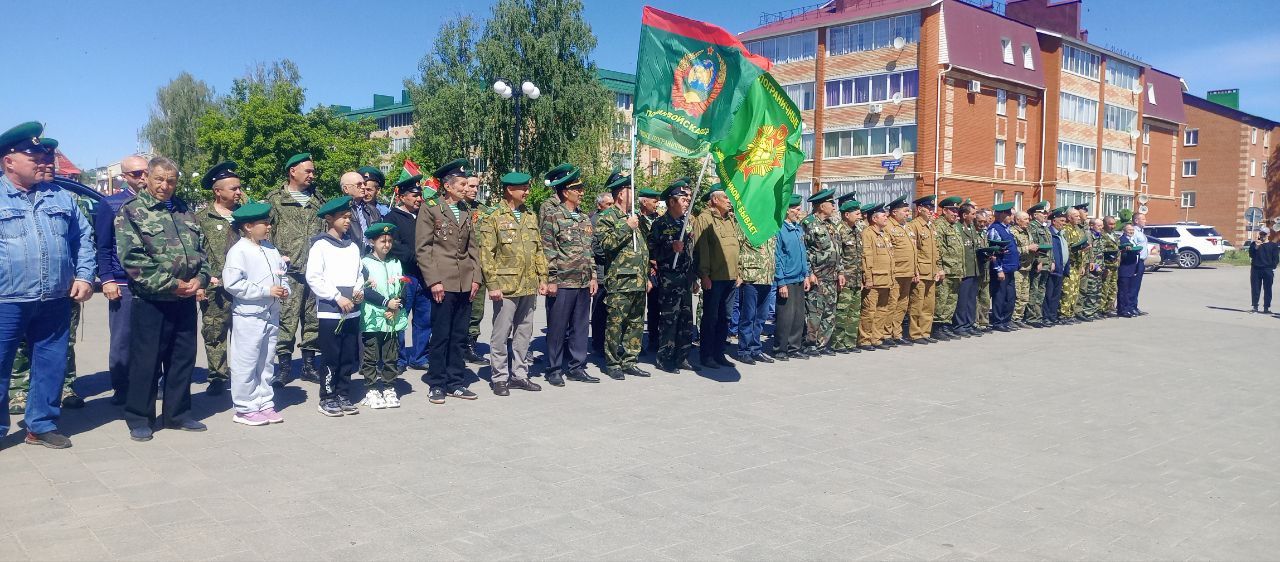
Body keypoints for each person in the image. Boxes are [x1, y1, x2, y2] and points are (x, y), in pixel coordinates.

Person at [0, 123, 94, 449]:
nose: (42, 160)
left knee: (51, 365)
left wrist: (84, 276)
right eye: (33, 156)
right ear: (9, 160)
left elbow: (83, 240)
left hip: (55, 297)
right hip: (6, 299)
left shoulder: (62, 197)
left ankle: (40, 425)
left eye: (43, 155)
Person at [117, 156, 209, 442]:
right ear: (147, 178)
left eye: (171, 181)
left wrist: (200, 279)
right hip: (152, 300)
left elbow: (202, 253)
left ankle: (177, 414)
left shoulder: (184, 210)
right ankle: (139, 417)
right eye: (159, 179)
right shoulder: (132, 211)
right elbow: (132, 260)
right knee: (146, 362)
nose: (165, 186)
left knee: (182, 359)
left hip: (184, 300)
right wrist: (171, 284)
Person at [417, 159, 483, 403]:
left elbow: (473, 248)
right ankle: (437, 382)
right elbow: (423, 249)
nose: (467, 188)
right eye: (462, 184)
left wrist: (476, 277)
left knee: (459, 335)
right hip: (442, 282)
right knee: (441, 334)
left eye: (468, 184)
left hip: (465, 282)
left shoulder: (466, 210)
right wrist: (433, 281)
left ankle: (456, 381)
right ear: (448, 185)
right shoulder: (431, 207)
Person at [476, 172, 547, 395]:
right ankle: (499, 377)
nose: (527, 192)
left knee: (524, 332)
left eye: (527, 187)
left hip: (528, 284)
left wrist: (543, 277)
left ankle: (520, 375)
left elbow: (538, 250)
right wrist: (493, 284)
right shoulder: (493, 216)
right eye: (523, 188)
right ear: (509, 190)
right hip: (505, 286)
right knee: (501, 333)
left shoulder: (530, 216)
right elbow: (487, 253)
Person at [221, 201, 288, 426]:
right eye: (264, 223)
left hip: (271, 313)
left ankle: (264, 401)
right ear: (248, 226)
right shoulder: (238, 251)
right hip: (249, 315)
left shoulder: (270, 247)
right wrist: (264, 291)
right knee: (246, 361)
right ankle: (244, 407)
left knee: (266, 360)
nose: (269, 227)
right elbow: (233, 284)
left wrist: (283, 286)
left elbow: (280, 272)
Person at [267, 153, 326, 385]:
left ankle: (309, 365)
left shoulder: (318, 200)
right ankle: (283, 368)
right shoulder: (275, 200)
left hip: (314, 271)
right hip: (288, 272)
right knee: (286, 320)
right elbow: (266, 232)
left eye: (312, 171)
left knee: (313, 320)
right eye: (308, 171)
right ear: (293, 171)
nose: (312, 175)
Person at [539, 163, 599, 385]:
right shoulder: (553, 216)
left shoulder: (583, 218)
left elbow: (588, 250)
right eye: (578, 188)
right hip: (563, 282)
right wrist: (551, 280)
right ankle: (554, 368)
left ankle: (577, 366)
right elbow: (548, 251)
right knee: (557, 327)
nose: (582, 192)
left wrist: (592, 276)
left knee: (581, 326)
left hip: (582, 281)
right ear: (566, 192)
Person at [307, 196, 365, 416]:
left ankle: (343, 393)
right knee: (332, 355)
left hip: (352, 311)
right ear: (330, 218)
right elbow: (314, 277)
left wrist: (359, 290)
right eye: (343, 217)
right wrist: (336, 297)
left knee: (348, 354)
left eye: (349, 217)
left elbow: (359, 273)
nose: (347, 221)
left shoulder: (352, 247)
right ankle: (327, 397)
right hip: (331, 311)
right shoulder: (320, 246)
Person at [97, 154, 148, 404]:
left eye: (145, 172)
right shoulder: (111, 204)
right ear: (125, 177)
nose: (142, 178)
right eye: (136, 174)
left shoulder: (160, 202)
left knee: (150, 335)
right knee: (122, 338)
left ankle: (150, 382)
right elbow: (103, 246)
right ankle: (121, 386)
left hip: (153, 281)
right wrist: (106, 278)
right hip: (122, 281)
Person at [594, 172, 652, 378]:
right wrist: (626, 227)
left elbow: (644, 249)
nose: (634, 195)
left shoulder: (634, 217)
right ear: (620, 194)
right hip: (620, 281)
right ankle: (612, 363)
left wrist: (646, 277)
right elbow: (605, 245)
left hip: (638, 280)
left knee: (636, 323)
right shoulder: (607, 217)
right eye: (631, 190)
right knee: (616, 324)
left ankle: (630, 360)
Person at [195, 161, 242, 396]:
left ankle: (244, 373)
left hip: (244, 287)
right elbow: (195, 251)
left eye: (239, 187)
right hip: (216, 288)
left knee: (244, 332)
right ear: (218, 191)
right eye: (233, 188)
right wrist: (202, 281)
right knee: (215, 332)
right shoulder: (202, 218)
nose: (239, 192)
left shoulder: (245, 217)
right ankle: (217, 375)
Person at [384, 171, 432, 373]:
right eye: (414, 195)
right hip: (405, 276)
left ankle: (419, 356)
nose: (419, 199)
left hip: (425, 276)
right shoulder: (392, 217)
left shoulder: (425, 215)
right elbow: (392, 246)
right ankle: (399, 359)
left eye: (420, 195)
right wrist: (417, 257)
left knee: (424, 318)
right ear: (402, 196)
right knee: (400, 319)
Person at [357, 222, 408, 409]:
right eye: (382, 241)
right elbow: (365, 291)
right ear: (372, 241)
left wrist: (396, 305)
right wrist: (386, 303)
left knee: (390, 354)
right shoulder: (365, 263)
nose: (386, 244)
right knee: (371, 355)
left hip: (392, 318)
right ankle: (371, 388)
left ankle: (389, 387)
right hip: (373, 318)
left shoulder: (395, 262)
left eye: (389, 241)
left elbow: (403, 286)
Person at [650, 180, 698, 372]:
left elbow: (690, 253)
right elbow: (651, 252)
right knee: (670, 319)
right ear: (671, 202)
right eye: (683, 199)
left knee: (686, 319)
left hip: (685, 277)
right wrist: (670, 248)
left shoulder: (685, 223)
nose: (687, 202)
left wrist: (694, 277)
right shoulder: (660, 223)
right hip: (669, 278)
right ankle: (665, 358)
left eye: (688, 199)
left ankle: (682, 356)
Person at [694, 186, 741, 367]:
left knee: (725, 317)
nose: (730, 201)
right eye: (726, 198)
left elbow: (736, 247)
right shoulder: (704, 219)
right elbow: (702, 249)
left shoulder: (730, 219)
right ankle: (707, 355)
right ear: (714, 200)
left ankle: (719, 352)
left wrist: (739, 272)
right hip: (714, 277)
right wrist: (704, 275)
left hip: (731, 277)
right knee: (711, 317)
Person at [801, 189, 842, 356]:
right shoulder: (809, 223)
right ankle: (810, 344)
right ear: (821, 205)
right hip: (817, 276)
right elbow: (804, 250)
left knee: (829, 312)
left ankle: (822, 344)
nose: (834, 206)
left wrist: (840, 272)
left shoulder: (831, 225)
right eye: (831, 203)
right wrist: (809, 272)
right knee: (814, 312)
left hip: (831, 276)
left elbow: (837, 250)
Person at [772, 195, 809, 360]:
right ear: (787, 210)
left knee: (798, 315)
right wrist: (781, 282)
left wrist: (806, 274)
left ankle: (795, 347)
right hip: (786, 279)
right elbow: (778, 257)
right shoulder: (780, 230)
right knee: (785, 316)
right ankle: (781, 348)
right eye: (796, 209)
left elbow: (803, 254)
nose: (798, 212)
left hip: (799, 278)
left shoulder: (797, 228)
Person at [828, 195, 863, 353]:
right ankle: (837, 343)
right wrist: (840, 274)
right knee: (842, 311)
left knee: (854, 312)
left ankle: (849, 342)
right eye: (856, 212)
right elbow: (838, 255)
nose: (859, 215)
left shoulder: (857, 230)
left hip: (856, 278)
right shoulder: (839, 230)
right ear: (846, 215)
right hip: (844, 278)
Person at [858, 203, 893, 351]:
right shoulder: (868, 233)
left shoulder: (884, 234)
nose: (886, 217)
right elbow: (867, 257)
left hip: (886, 278)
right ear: (874, 218)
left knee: (882, 310)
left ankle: (876, 338)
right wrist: (868, 277)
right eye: (883, 215)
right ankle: (865, 339)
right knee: (869, 311)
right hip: (874, 279)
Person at [907, 195, 941, 343]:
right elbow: (913, 251)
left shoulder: (931, 226)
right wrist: (915, 270)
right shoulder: (914, 225)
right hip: (921, 270)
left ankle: (925, 332)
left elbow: (936, 250)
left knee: (929, 304)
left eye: (931, 208)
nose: (930, 211)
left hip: (931, 271)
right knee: (917, 304)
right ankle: (915, 333)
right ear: (920, 209)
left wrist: (938, 268)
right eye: (928, 208)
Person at [463, 172, 489, 366]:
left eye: (476, 187)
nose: (474, 190)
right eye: (470, 186)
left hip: (478, 267)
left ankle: (470, 344)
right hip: (458, 267)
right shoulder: (451, 208)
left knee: (476, 308)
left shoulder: (483, 210)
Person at [882, 196, 914, 346]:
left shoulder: (907, 226)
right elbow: (889, 251)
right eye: (905, 211)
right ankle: (886, 334)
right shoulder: (888, 226)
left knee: (902, 305)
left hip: (908, 272)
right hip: (896, 272)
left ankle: (897, 333)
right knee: (891, 304)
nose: (908, 213)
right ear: (894, 212)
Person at [931, 197, 964, 339]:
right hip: (946, 270)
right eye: (953, 210)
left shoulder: (954, 227)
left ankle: (945, 324)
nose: (956, 213)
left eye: (957, 210)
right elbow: (937, 249)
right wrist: (939, 268)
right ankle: (937, 327)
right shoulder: (939, 225)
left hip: (956, 271)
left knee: (951, 300)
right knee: (941, 299)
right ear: (944, 211)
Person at [986, 202, 1019, 332]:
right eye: (1009, 214)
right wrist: (998, 269)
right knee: (1000, 296)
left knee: (1010, 296)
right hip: (1002, 269)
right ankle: (998, 321)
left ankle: (1006, 320)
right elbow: (994, 252)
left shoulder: (1006, 228)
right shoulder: (994, 229)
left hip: (1010, 268)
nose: (1011, 216)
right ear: (1002, 215)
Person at [589, 192, 614, 358]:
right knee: (599, 309)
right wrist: (614, 252)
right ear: (600, 206)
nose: (611, 208)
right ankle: (598, 343)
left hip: (612, 271)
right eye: (608, 204)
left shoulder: (613, 220)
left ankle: (608, 342)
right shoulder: (595, 221)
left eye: (613, 204)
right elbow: (596, 247)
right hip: (600, 270)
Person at [1025, 202, 1053, 327]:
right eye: (1043, 213)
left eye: (1046, 213)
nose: (1045, 215)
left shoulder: (1045, 227)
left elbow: (1049, 247)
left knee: (1041, 291)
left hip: (1047, 263)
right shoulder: (1033, 227)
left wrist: (1052, 262)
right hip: (1039, 264)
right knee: (1034, 290)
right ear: (1035, 215)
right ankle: (1032, 317)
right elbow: (1034, 246)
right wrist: (1038, 261)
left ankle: (1038, 315)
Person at [343, 168, 384, 252]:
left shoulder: (374, 211)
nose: (363, 187)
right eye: (359, 185)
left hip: (371, 259)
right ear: (346, 189)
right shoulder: (340, 211)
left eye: (364, 184)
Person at [1058, 207, 1087, 323]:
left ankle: (1070, 313)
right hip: (1069, 265)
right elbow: (1066, 248)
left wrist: (1082, 265)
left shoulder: (1078, 230)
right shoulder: (1066, 230)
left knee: (1074, 291)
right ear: (1069, 217)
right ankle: (1063, 314)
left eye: (1079, 216)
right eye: (1076, 216)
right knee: (1067, 291)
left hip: (1077, 265)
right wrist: (1078, 248)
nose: (1079, 218)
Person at [1043, 207, 1071, 325]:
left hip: (1061, 268)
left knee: (1056, 295)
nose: (1063, 224)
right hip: (1052, 269)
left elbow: (1065, 250)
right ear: (1054, 221)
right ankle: (1046, 316)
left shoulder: (1062, 234)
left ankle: (1053, 316)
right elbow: (1050, 251)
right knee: (1048, 294)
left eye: (1064, 221)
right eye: (1061, 221)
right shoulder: (1049, 233)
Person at [974, 208, 995, 331]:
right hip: (976, 269)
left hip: (985, 269)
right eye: (979, 221)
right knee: (976, 298)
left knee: (985, 298)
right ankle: (975, 322)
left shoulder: (984, 233)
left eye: (984, 221)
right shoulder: (972, 233)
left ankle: (983, 322)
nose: (982, 224)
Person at [1248, 230, 1278, 313]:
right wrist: (1256, 247)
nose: (1262, 236)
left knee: (1268, 289)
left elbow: (1275, 258)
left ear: (1268, 234)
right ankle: (1255, 306)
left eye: (1264, 234)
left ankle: (1266, 308)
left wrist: (1272, 267)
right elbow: (1251, 255)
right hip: (1256, 269)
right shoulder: (1254, 244)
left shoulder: (1273, 245)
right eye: (1261, 234)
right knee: (1255, 289)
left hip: (1267, 270)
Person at [1116, 225, 1141, 317]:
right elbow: (1121, 254)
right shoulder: (1122, 240)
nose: (1131, 231)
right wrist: (1128, 252)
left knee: (1128, 290)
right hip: (1125, 268)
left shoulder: (1132, 239)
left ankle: (1128, 308)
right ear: (1124, 231)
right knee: (1123, 291)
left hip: (1132, 268)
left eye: (1132, 230)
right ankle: (1122, 310)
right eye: (1129, 230)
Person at [1099, 216, 1121, 317]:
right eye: (1110, 224)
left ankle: (1109, 307)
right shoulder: (1102, 235)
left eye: (1114, 224)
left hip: (1115, 266)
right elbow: (1100, 249)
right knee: (1104, 287)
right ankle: (1101, 309)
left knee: (1113, 288)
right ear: (1105, 224)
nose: (1113, 226)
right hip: (1107, 266)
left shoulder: (1114, 235)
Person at [1130, 212, 1150, 315]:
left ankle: (1134, 306)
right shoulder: (1134, 232)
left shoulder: (1141, 231)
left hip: (1141, 262)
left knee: (1137, 286)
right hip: (1136, 262)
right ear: (1136, 221)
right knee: (1133, 286)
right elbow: (1133, 246)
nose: (1145, 221)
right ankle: (1130, 307)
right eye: (1143, 219)